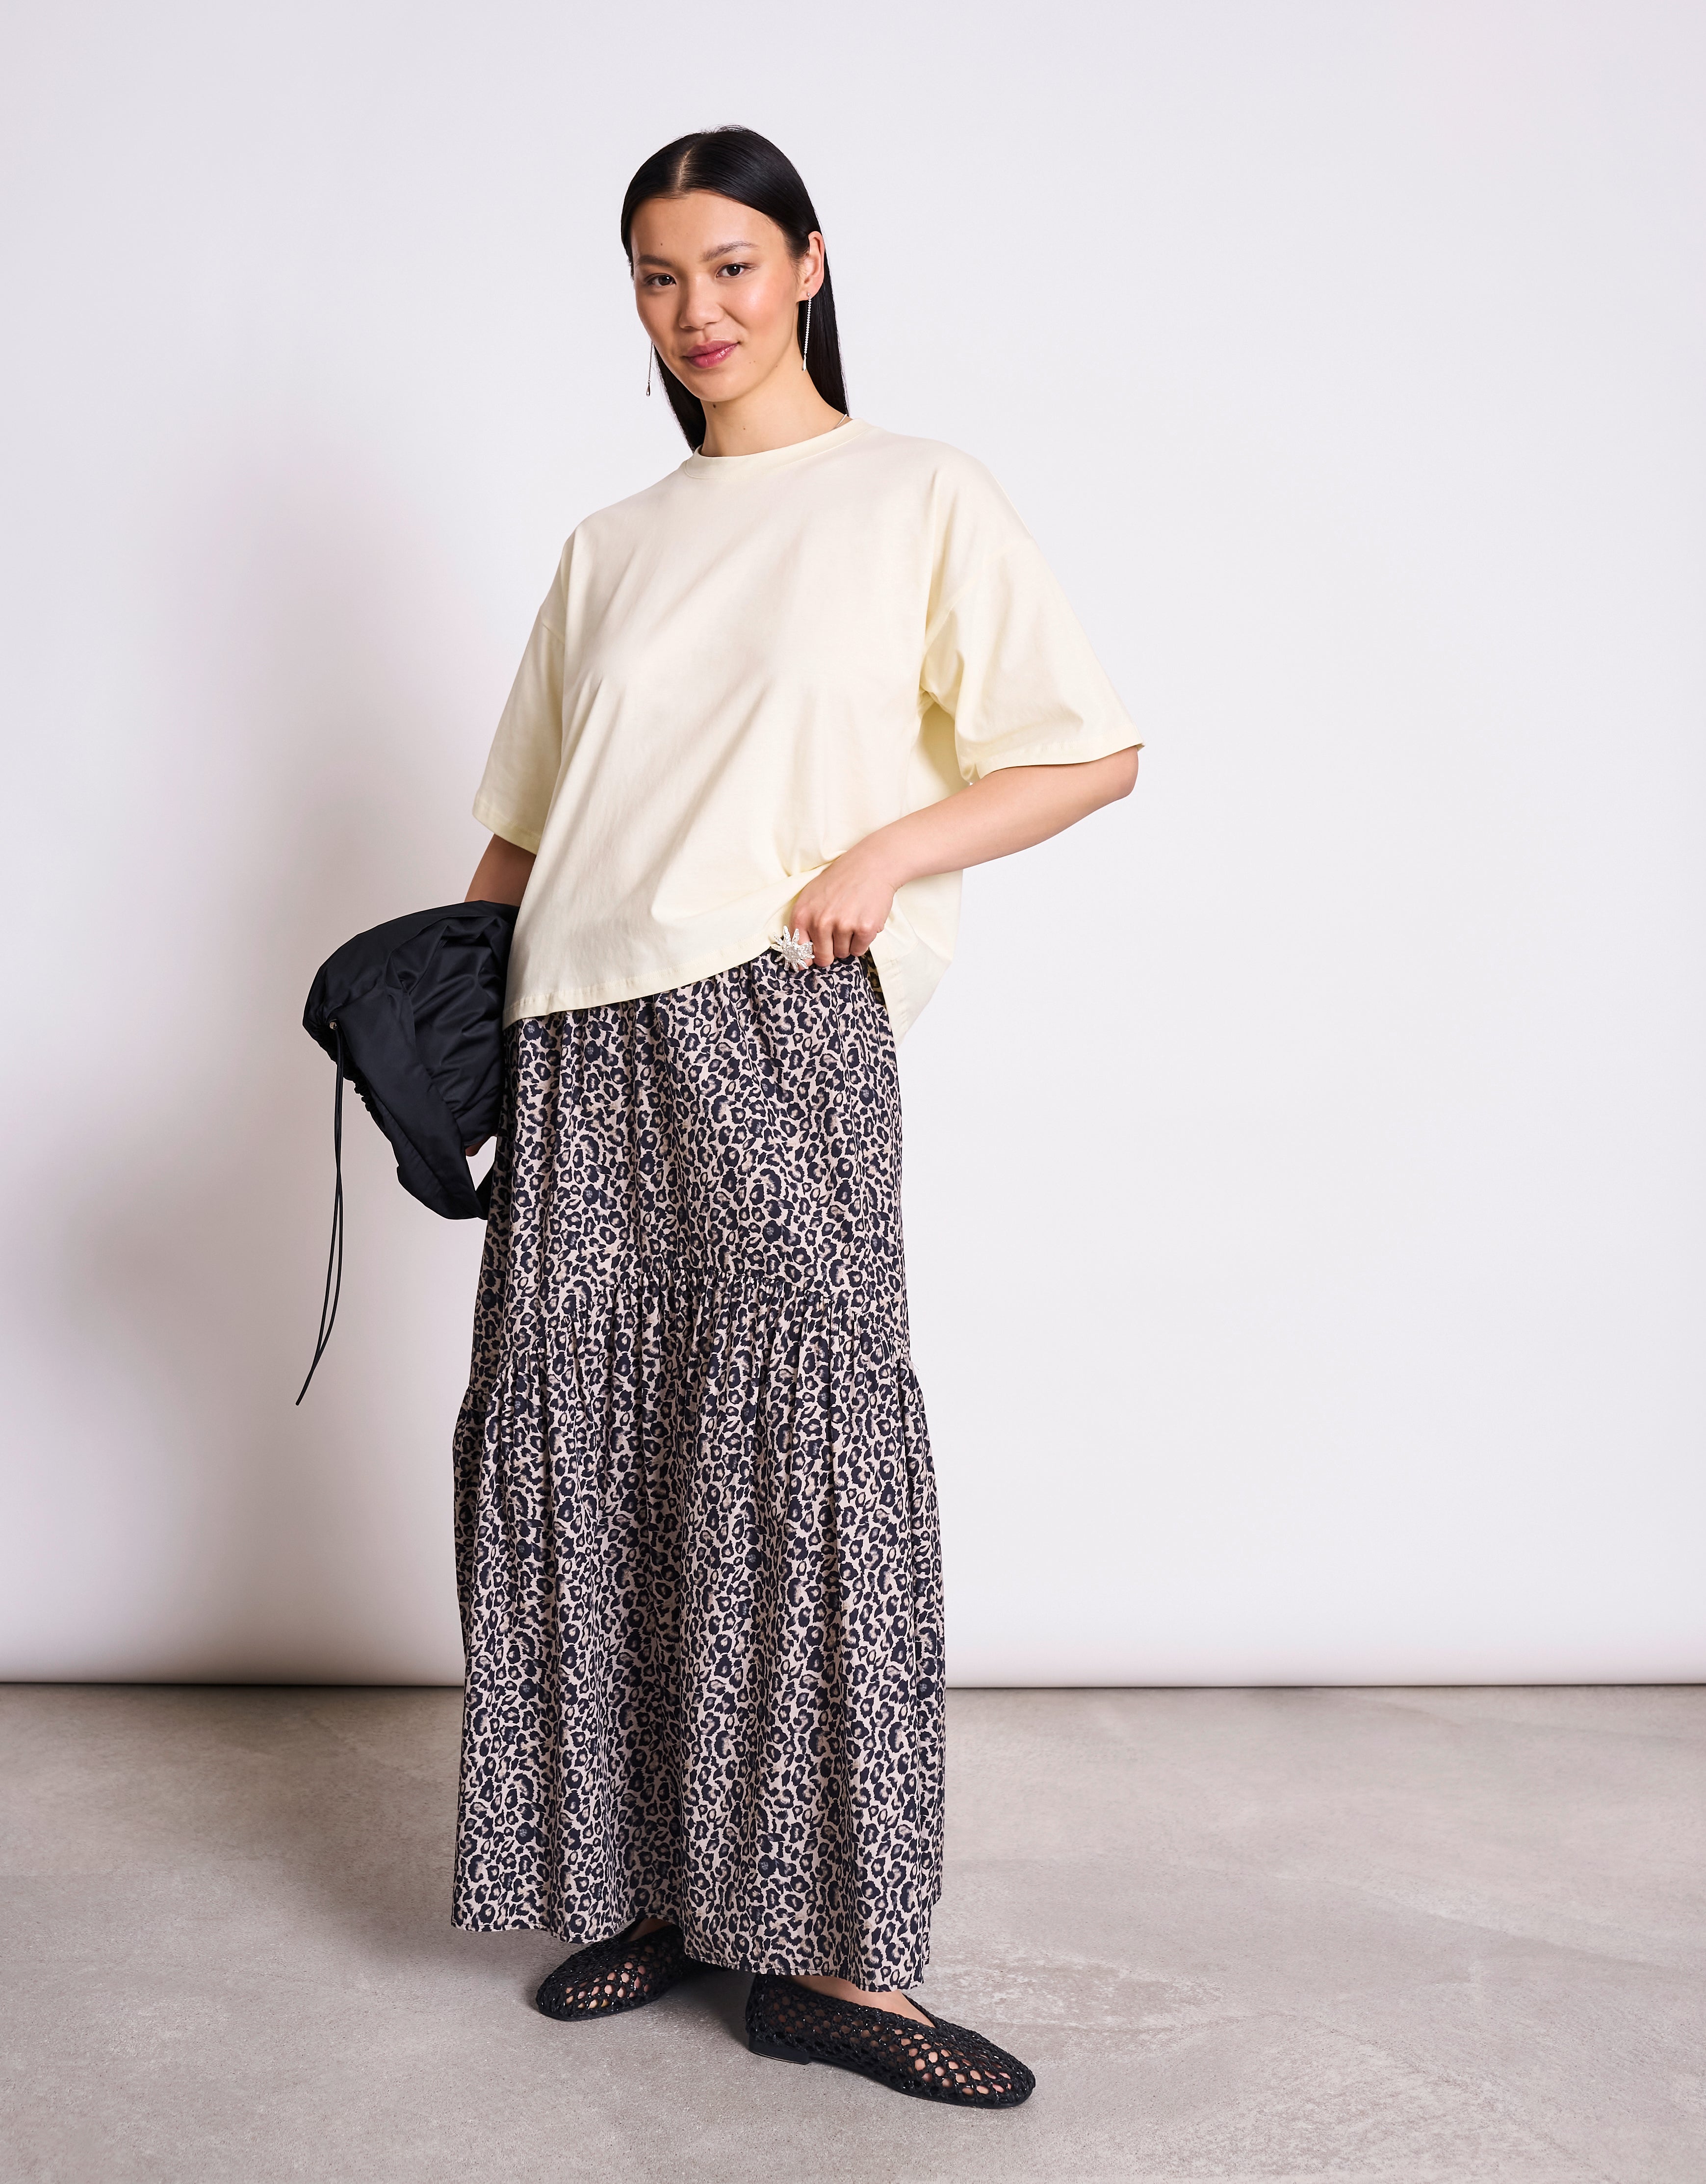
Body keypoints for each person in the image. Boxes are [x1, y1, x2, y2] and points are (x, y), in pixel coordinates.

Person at [453, 125, 1140, 2109]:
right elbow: (523, 817)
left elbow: (1089, 750)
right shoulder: (612, 543)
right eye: (663, 278)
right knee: (608, 1449)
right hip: (578, 1030)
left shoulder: (919, 494)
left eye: (736, 266)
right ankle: (662, 1890)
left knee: (810, 1437)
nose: (701, 312)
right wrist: (452, 1018)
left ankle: (833, 1956)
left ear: (812, 266)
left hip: (776, 1017)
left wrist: (892, 853)